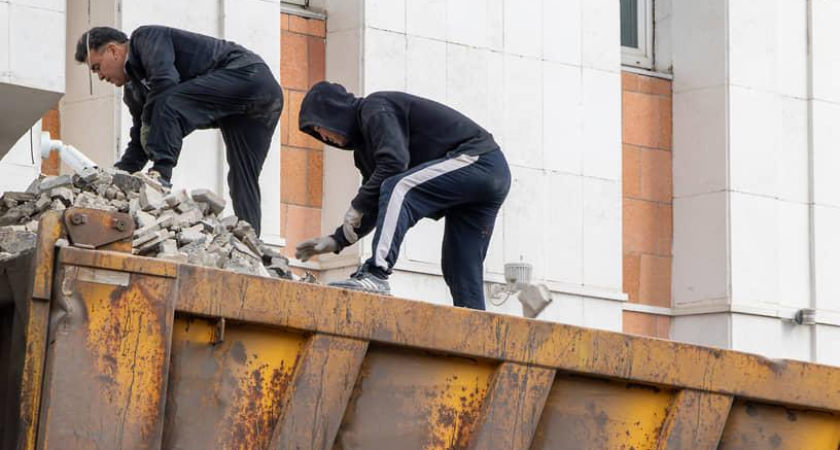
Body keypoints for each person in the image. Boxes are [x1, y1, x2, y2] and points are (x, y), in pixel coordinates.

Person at [295, 82, 511, 310]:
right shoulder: (364, 154)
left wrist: (357, 205)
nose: (324, 137)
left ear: (333, 112)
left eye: (320, 128)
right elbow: (378, 203)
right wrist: (337, 240)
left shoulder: (375, 108)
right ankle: (475, 329)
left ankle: (376, 274)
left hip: (480, 160)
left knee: (399, 186)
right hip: (486, 178)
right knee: (459, 265)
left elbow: (395, 165)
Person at [74, 26, 284, 235]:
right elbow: (140, 142)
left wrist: (152, 128)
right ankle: (251, 240)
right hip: (247, 107)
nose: (100, 76)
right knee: (242, 179)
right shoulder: (134, 92)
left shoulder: (144, 38)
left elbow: (166, 80)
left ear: (113, 50)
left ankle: (161, 175)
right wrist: (117, 176)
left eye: (97, 67)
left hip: (250, 76)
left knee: (167, 100)